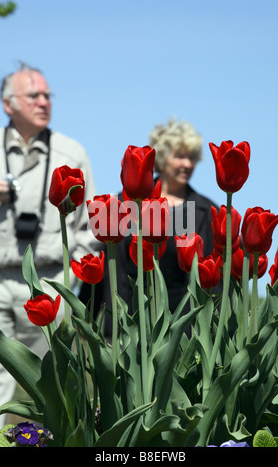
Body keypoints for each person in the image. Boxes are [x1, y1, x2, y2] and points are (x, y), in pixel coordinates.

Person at [0, 63, 96, 434]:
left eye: (47, 95)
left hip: (51, 281)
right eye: (33, 95)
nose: (43, 101)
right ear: (7, 103)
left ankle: (50, 440)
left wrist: (77, 269)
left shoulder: (71, 151)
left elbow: (91, 223)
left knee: (51, 382)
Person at [79, 118, 220, 334]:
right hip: (125, 324)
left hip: (181, 330)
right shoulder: (123, 205)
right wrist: (84, 314)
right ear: (162, 158)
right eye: (180, 156)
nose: (187, 164)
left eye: (192, 158)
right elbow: (105, 261)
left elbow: (213, 274)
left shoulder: (203, 211)